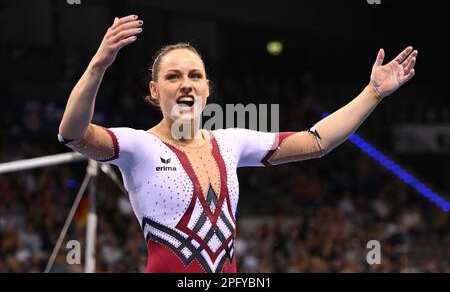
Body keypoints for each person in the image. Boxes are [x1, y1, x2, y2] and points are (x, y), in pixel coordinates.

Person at [58, 14, 417, 273]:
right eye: (173, 77)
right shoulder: (137, 146)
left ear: (207, 89)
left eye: (195, 75)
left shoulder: (232, 142)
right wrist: (98, 66)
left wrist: (372, 93)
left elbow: (316, 141)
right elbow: (73, 133)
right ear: (155, 91)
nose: (186, 83)